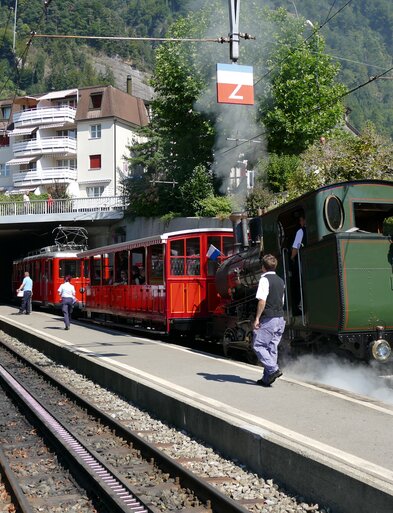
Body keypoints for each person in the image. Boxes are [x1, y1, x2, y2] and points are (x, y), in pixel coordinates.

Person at [253, 254, 285, 387]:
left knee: (258, 345)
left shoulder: (264, 280)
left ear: (263, 267)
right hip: (280, 318)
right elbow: (282, 301)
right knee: (272, 347)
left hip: (269, 318)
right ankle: (267, 379)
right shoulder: (280, 280)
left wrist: (257, 318)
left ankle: (273, 369)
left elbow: (262, 300)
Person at [291, 214, 307, 314]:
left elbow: (296, 248)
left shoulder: (300, 232)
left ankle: (299, 306)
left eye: (301, 220)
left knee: (297, 282)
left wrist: (292, 257)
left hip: (302, 261)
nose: (300, 223)